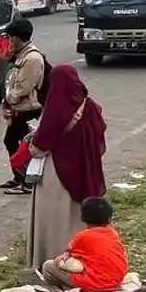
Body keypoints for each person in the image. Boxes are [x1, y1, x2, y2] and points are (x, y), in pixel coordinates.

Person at [27, 64, 107, 272]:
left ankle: (53, 259)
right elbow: (99, 136)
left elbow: (40, 145)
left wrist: (32, 143)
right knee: (76, 216)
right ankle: (80, 257)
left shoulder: (55, 107)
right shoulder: (90, 106)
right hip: (85, 169)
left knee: (55, 216)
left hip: (58, 172)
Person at [0, 18, 47, 194]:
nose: (9, 41)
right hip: (19, 109)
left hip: (28, 109)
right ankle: (19, 177)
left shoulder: (32, 58)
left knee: (24, 145)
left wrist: (9, 99)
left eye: (11, 37)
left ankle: (27, 181)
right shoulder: (21, 55)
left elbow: (24, 88)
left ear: (19, 38)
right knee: (13, 142)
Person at [41, 196, 128, 292]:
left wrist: (61, 258)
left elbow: (65, 258)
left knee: (48, 266)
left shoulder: (82, 236)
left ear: (82, 217)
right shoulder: (112, 233)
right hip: (116, 282)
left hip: (96, 284)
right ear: (109, 218)